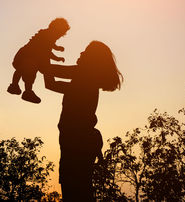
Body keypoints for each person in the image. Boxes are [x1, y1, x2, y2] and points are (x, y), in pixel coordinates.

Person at [41, 40, 122, 201]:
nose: (80, 54)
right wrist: (44, 59)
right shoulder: (81, 82)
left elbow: (51, 71)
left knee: (76, 191)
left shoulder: (84, 74)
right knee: (80, 191)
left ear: (92, 59)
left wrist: (42, 54)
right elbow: (50, 84)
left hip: (77, 144)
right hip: (75, 144)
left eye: (85, 52)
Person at [7, 18, 70, 103]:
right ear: (55, 30)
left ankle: (17, 87)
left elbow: (50, 45)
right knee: (26, 73)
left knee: (22, 71)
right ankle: (24, 90)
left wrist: (57, 48)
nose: (59, 37)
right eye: (59, 34)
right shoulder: (46, 36)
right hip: (27, 57)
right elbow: (46, 52)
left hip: (27, 57)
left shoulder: (47, 35)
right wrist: (57, 58)